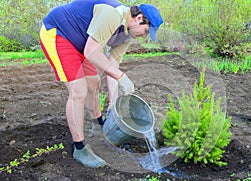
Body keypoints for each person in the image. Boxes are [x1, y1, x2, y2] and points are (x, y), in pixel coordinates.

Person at [39, 0, 163, 168]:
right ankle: (80, 148)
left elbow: (112, 68)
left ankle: (98, 126)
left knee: (94, 83)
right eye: (146, 31)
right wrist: (122, 77)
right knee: (79, 90)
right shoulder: (112, 14)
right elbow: (91, 51)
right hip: (59, 34)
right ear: (139, 17)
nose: (144, 36)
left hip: (83, 43)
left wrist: (114, 105)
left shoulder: (126, 35)